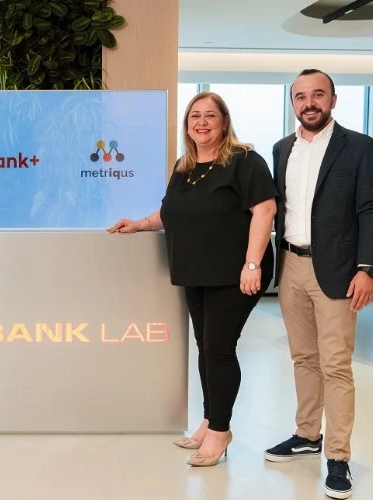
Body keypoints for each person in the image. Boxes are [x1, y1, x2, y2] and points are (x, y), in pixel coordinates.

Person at [108, 91, 277, 467]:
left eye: (210, 116)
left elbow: (265, 209)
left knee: (219, 349)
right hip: (196, 269)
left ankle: (220, 430)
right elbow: (169, 211)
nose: (201, 122)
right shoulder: (184, 166)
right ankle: (209, 420)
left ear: (224, 122)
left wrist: (252, 264)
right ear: (187, 125)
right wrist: (140, 224)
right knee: (205, 347)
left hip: (233, 273)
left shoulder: (244, 160)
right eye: (194, 116)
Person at [264, 69, 373, 499]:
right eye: (301, 96)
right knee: (303, 358)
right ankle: (306, 435)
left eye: (318, 94)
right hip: (291, 266)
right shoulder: (282, 149)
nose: (309, 102)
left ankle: (338, 456)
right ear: (292, 103)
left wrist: (366, 268)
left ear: (333, 100)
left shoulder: (359, 146)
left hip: (338, 269)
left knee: (335, 365)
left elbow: (370, 208)